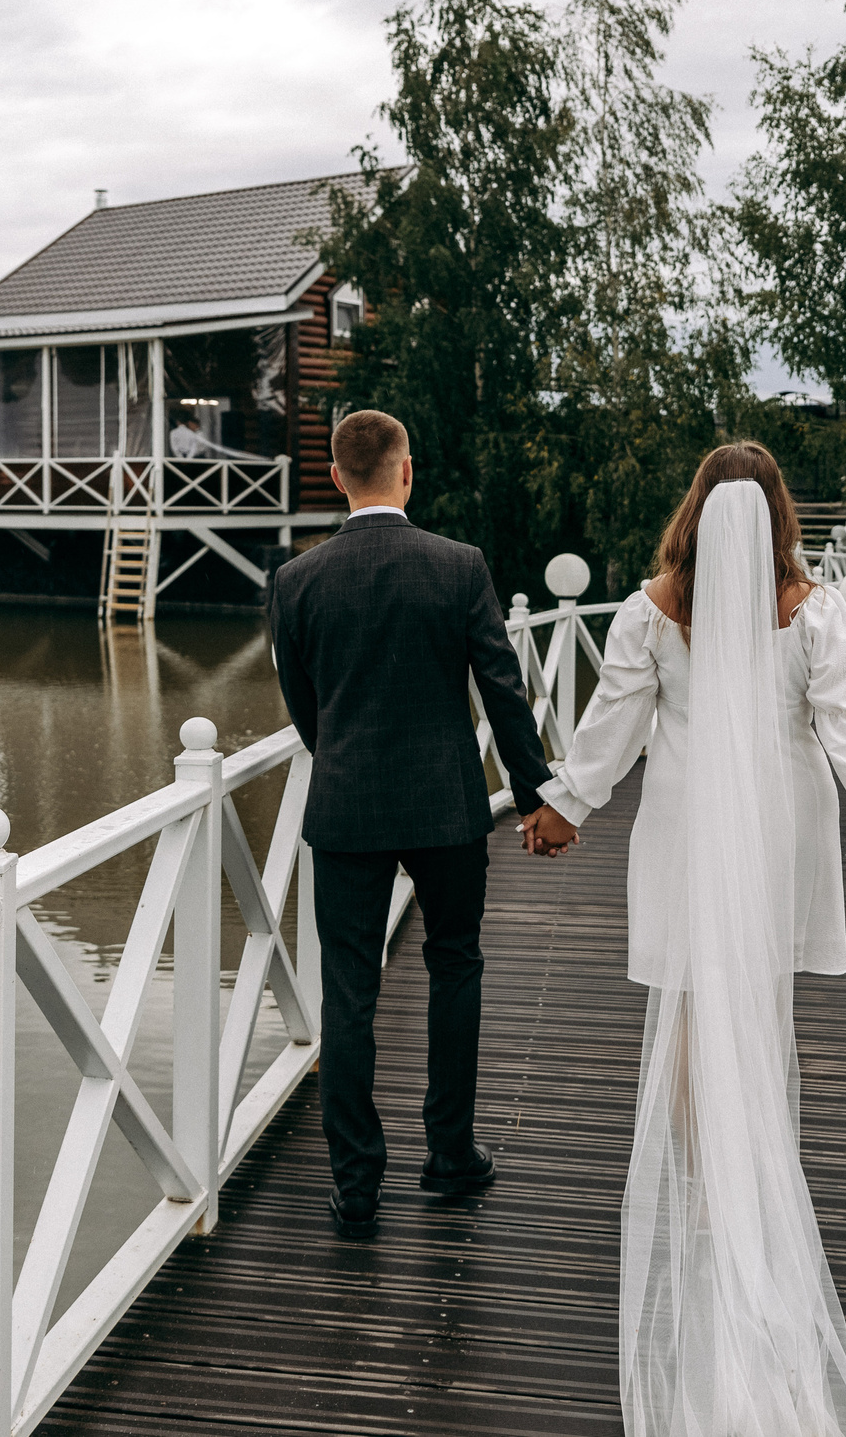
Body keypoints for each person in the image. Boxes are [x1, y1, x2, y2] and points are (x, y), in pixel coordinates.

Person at [524, 442, 846, 1437]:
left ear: (696, 513)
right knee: (757, 1001)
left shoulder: (650, 609)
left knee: (687, 1003)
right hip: (775, 827)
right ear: (775, 519)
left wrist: (567, 805)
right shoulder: (812, 610)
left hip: (681, 824)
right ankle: (754, 1170)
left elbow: (614, 720)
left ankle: (709, 1182)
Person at [267, 409, 576, 1241]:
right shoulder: (457, 565)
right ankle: (449, 1158)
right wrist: (540, 794)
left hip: (346, 810)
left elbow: (307, 709)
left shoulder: (296, 582)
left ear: (337, 477)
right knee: (455, 967)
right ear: (407, 471)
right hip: (445, 808)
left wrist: (342, 757)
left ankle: (357, 1187)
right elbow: (503, 694)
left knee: (349, 991)